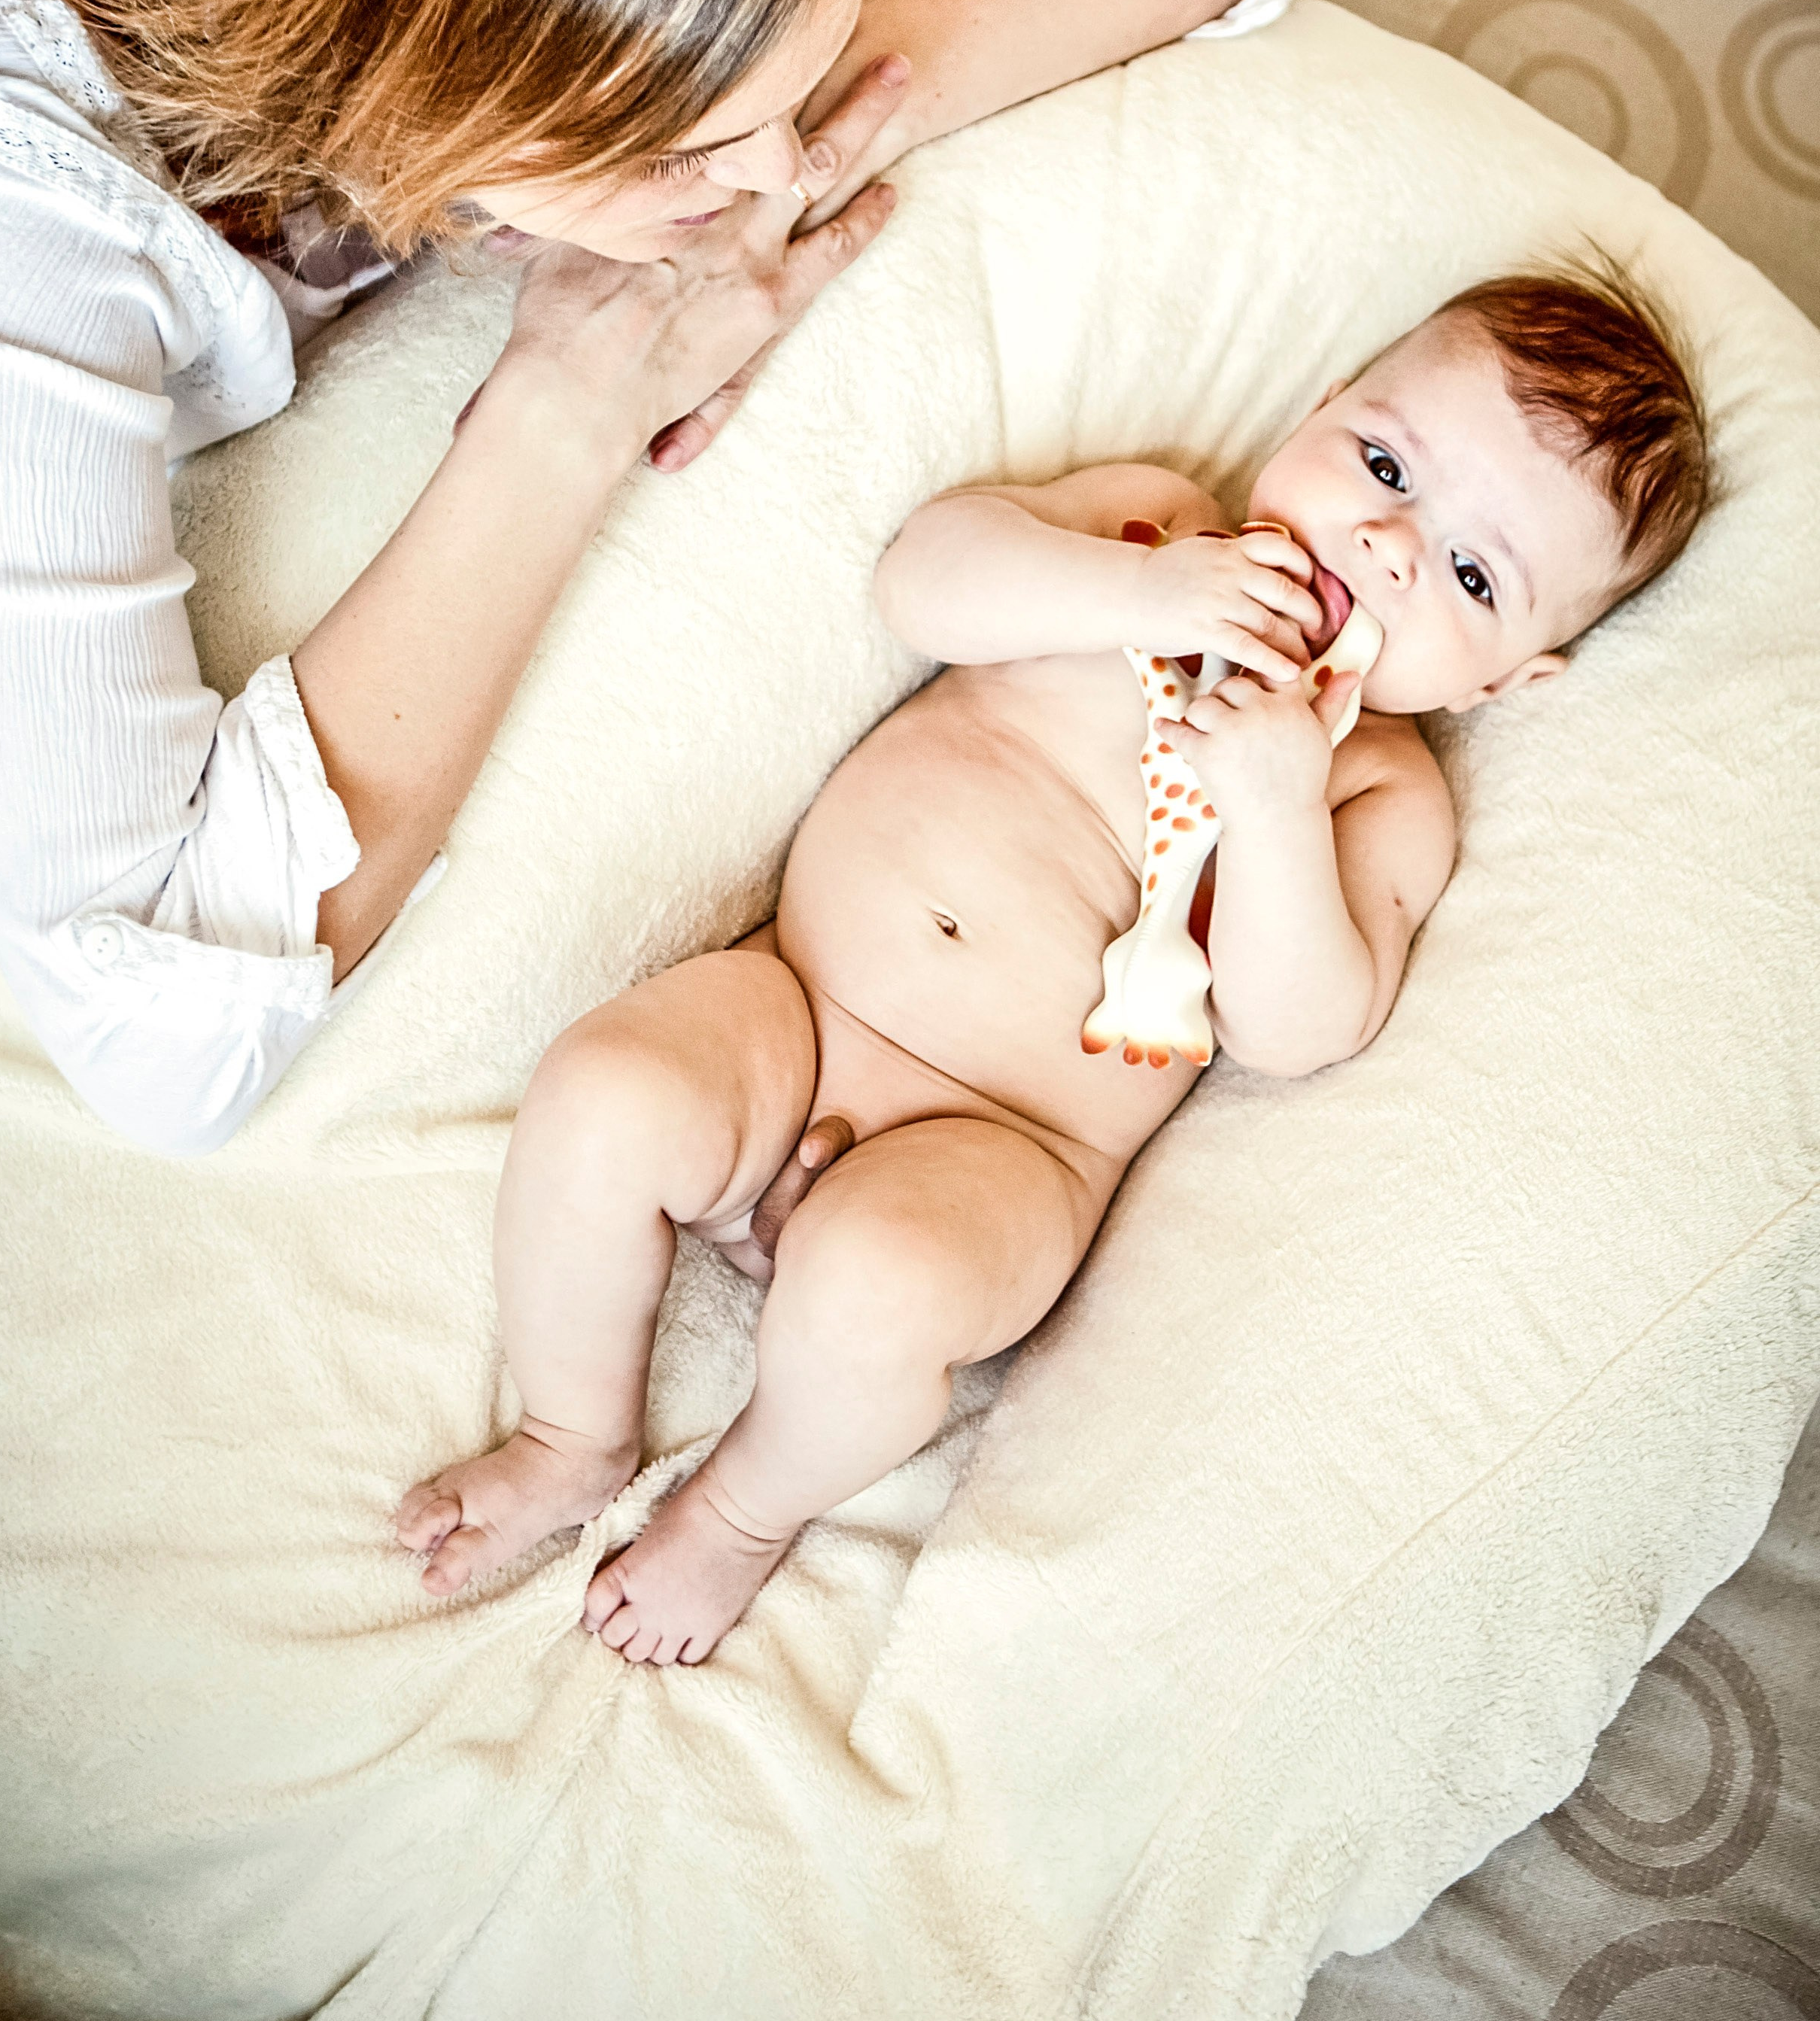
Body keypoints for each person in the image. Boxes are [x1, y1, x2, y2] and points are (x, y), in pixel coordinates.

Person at [0, 0, 1369, 1156]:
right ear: (396, 111)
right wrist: (564, 401)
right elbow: (161, 1039)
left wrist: (827, 125)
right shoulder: (12, 249)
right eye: (683, 149)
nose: (765, 182)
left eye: (795, 54)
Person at [397, 269, 1711, 1664]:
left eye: (1468, 575)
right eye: (1384, 465)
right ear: (1319, 410)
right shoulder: (1153, 527)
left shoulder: (1378, 791)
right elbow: (926, 581)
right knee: (607, 1092)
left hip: (1009, 1149)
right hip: (797, 1000)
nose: (1387, 543)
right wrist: (1139, 590)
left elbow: (1298, 1028)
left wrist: (1274, 808)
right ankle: (572, 1431)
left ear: (1509, 678)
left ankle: (738, 1513)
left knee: (880, 1290)